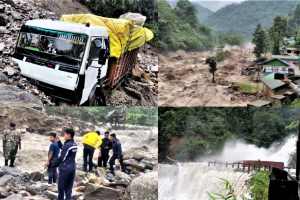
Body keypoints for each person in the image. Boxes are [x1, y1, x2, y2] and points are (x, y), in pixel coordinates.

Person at [57, 129, 77, 200]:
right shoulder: (74, 144)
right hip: (72, 168)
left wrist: (55, 160)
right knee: (68, 188)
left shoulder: (67, 145)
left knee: (61, 188)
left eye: (65, 134)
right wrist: (59, 142)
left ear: (69, 135)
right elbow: (66, 150)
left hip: (65, 169)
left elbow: (62, 158)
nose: (64, 136)